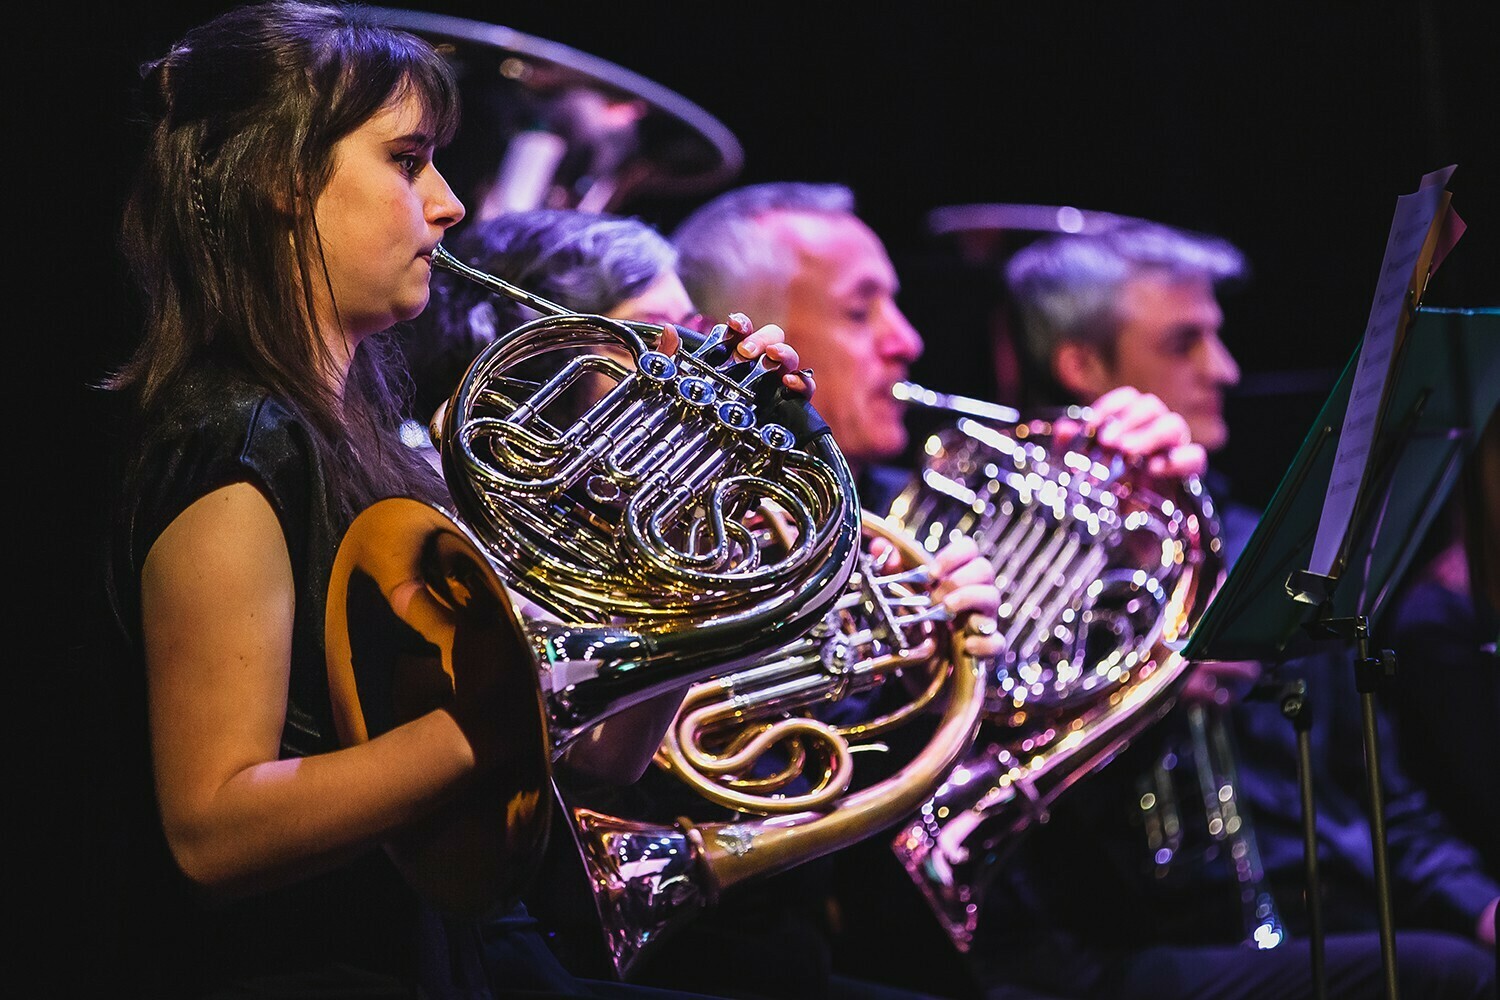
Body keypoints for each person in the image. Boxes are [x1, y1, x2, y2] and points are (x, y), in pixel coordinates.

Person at [92, 6, 807, 998]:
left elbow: (597, 756)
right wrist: (509, 707)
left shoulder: (368, 440)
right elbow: (214, 827)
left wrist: (695, 516)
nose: (450, 205)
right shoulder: (234, 440)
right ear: (281, 179)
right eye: (408, 159)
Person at [397, 205, 1008, 999]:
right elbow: (593, 763)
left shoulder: (666, 524)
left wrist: (917, 638)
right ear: (530, 356)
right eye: (654, 334)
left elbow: (607, 757)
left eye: (689, 330)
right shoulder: (454, 498)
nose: (690, 365)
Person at [662, 183, 1207, 1000]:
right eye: (859, 312)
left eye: (897, 306)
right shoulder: (691, 534)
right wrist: (902, 676)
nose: (907, 341)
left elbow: (1067, 762)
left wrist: (1145, 511)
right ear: (747, 336)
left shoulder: (914, 506)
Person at [963, 219, 1499, 999]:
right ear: (1081, 363)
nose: (1225, 369)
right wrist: (1150, 660)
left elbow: (1381, 801)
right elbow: (1038, 830)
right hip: (1150, 944)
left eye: (1217, 337)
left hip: (1330, 915)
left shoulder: (1270, 548)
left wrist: (1485, 906)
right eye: (1184, 344)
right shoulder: (1018, 564)